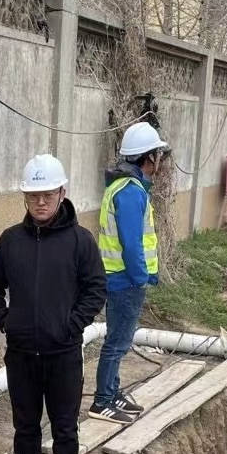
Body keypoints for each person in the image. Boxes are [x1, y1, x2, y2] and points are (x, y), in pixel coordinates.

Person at [0, 154, 106, 454]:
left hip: (63, 353)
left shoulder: (80, 242)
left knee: (65, 424)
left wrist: (72, 325)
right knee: (25, 422)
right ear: (25, 197)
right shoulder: (10, 241)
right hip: (21, 352)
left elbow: (96, 289)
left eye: (48, 195)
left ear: (62, 193)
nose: (40, 202)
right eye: (33, 196)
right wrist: (5, 320)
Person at [89, 122, 170, 423]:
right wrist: (141, 278)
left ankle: (112, 392)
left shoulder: (123, 187)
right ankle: (102, 401)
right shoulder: (131, 193)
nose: (160, 160)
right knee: (117, 343)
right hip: (125, 279)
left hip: (120, 277)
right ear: (148, 158)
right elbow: (132, 243)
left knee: (119, 340)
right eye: (158, 155)